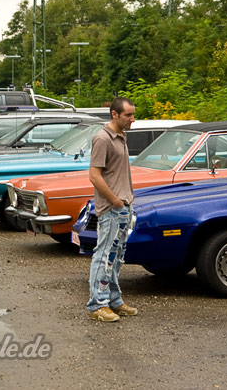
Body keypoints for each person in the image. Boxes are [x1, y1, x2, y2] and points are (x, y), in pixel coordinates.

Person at [86, 97, 137, 322]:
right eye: (128, 115)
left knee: (116, 257)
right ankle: (97, 304)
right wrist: (115, 200)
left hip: (124, 207)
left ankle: (114, 300)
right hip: (111, 208)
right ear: (114, 114)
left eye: (133, 114)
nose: (132, 119)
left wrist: (125, 201)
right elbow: (94, 176)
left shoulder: (121, 136)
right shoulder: (102, 138)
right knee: (104, 255)